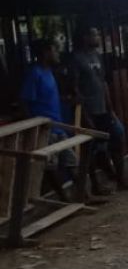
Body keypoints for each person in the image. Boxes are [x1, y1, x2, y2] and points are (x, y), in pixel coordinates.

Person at [68, 27, 128, 194]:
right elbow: (74, 87)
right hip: (89, 110)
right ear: (85, 37)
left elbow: (103, 82)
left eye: (97, 34)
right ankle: (95, 187)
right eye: (94, 34)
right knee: (89, 149)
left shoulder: (96, 56)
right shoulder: (76, 59)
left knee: (117, 139)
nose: (97, 37)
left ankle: (121, 180)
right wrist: (84, 114)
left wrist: (110, 108)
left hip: (103, 109)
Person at [20, 40, 79, 202]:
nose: (58, 54)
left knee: (71, 161)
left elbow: (47, 99)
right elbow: (25, 101)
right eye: (55, 50)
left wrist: (66, 99)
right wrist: (33, 127)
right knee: (50, 166)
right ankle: (64, 199)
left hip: (58, 125)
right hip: (45, 129)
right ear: (46, 52)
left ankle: (82, 196)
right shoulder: (35, 74)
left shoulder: (49, 72)